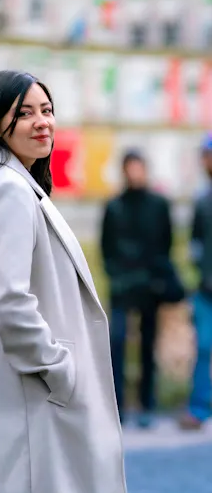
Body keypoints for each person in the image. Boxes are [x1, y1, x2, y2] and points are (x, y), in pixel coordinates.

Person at [0, 71, 130, 493]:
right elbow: (9, 301)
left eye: (47, 110)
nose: (42, 122)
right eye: (24, 113)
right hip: (25, 392)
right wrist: (58, 367)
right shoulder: (9, 191)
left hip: (0, 390)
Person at [100, 150, 174, 428]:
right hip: (121, 287)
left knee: (147, 347)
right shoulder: (114, 206)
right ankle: (116, 406)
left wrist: (158, 277)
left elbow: (165, 243)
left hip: (150, 286)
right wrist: (115, 275)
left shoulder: (158, 205)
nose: (134, 173)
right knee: (116, 344)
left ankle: (147, 405)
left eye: (138, 168)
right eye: (130, 168)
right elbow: (106, 246)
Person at [180, 134, 212, 430]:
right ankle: (199, 409)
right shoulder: (202, 200)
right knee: (202, 348)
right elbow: (195, 242)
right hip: (206, 290)